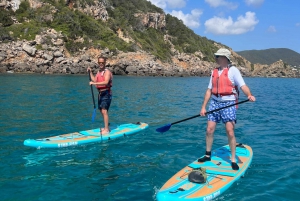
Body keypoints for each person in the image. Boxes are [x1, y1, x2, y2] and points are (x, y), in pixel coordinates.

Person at [198, 48, 256, 170]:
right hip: (215, 102)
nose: (216, 59)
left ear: (224, 58)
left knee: (230, 131)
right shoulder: (214, 72)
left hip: (229, 103)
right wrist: (203, 107)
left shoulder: (233, 70)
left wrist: (249, 95)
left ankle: (233, 159)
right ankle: (208, 154)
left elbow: (242, 85)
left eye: (218, 56)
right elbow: (209, 90)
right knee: (209, 129)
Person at [87, 56, 113, 134]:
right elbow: (94, 80)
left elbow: (106, 82)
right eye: (99, 62)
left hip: (106, 93)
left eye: (102, 62)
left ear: (105, 63)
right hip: (100, 93)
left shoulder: (107, 72)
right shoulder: (99, 72)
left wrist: (94, 83)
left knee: (104, 111)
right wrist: (90, 72)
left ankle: (106, 130)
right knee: (101, 111)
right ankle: (106, 126)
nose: (101, 64)